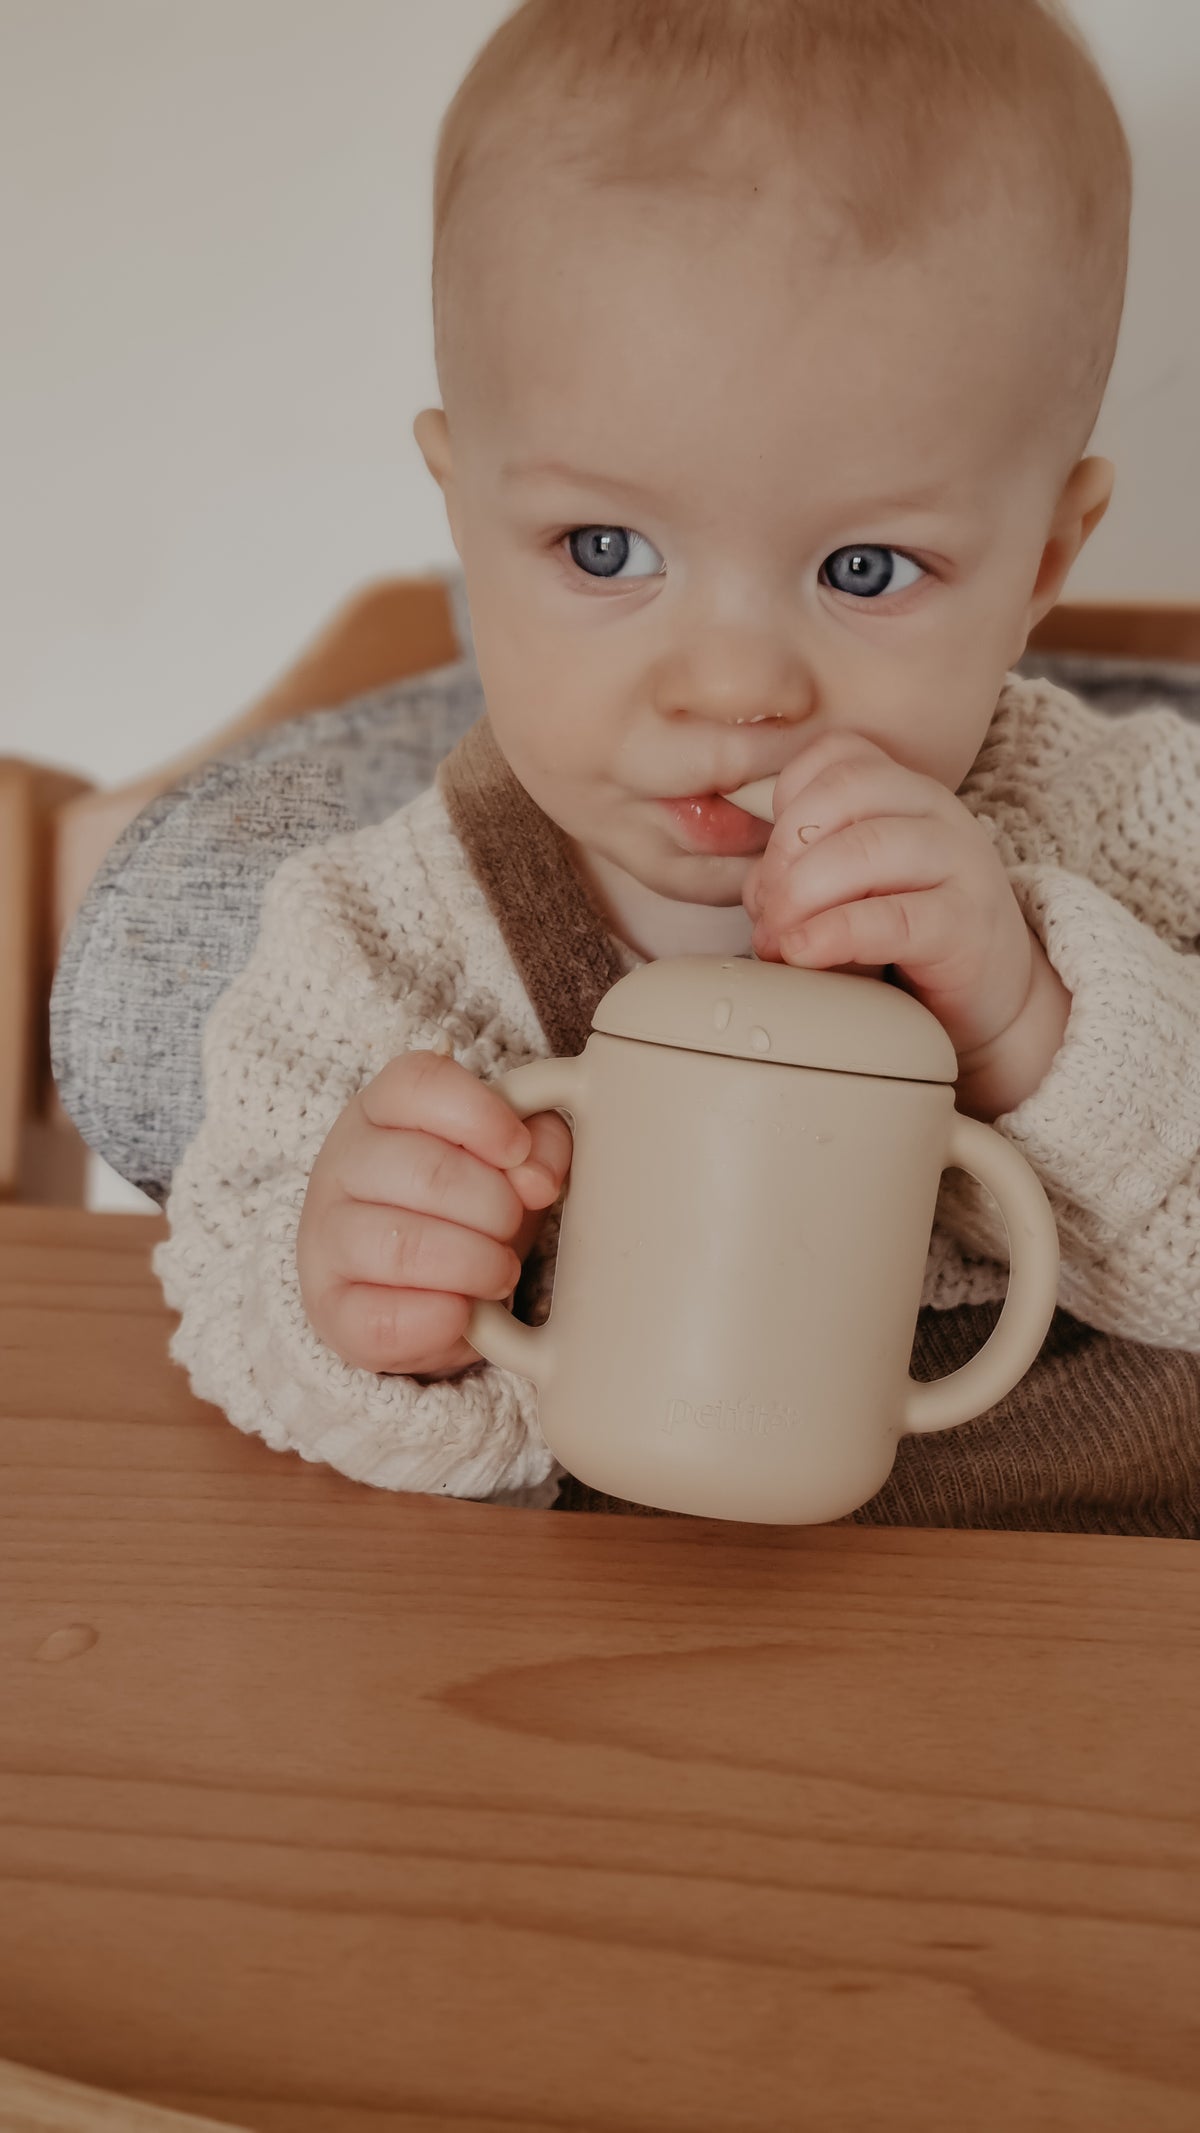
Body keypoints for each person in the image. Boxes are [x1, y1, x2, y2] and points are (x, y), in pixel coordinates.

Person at [152, 0, 1200, 1527]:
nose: (736, 688)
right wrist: (361, 1300)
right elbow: (234, 1296)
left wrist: (1039, 1018)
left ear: (1042, 559)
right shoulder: (379, 942)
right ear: (464, 516)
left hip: (1095, 1672)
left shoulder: (1133, 828)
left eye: (863, 569)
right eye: (606, 547)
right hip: (620, 1688)